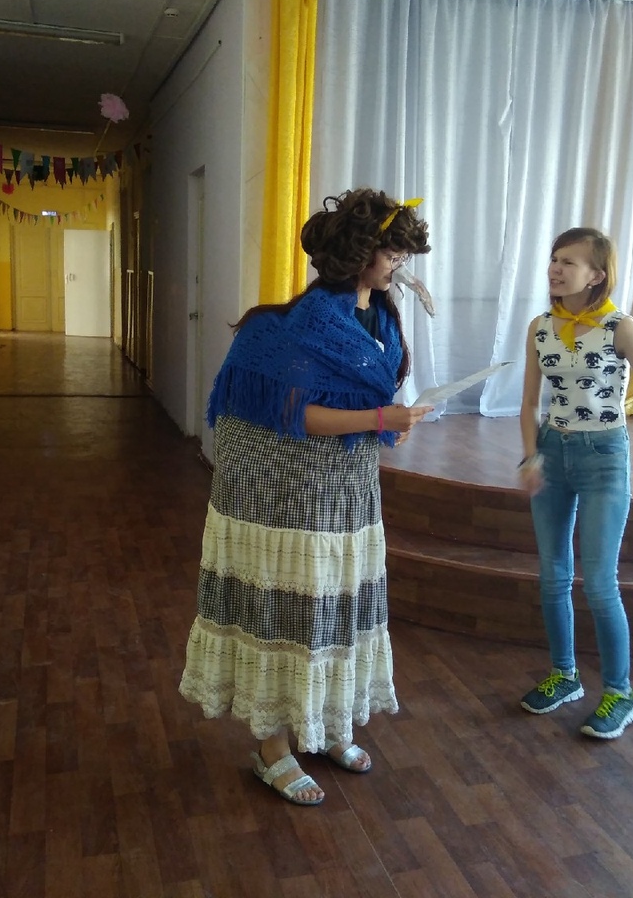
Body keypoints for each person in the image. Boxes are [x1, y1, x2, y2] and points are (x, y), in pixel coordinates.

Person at [178, 189, 434, 805]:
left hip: (346, 496)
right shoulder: (285, 328)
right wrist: (380, 418)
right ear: (359, 254)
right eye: (392, 254)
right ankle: (271, 749)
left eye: (403, 256)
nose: (398, 265)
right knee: (284, 615)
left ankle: (324, 726)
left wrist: (387, 423)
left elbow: (366, 402)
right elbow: (296, 414)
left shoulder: (379, 319)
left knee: (334, 613)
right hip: (284, 504)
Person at [515, 227, 633, 739]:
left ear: (596, 275)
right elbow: (528, 402)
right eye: (554, 258)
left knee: (598, 582)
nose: (555, 268)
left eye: (568, 262)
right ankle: (565, 676)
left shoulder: (620, 327)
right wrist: (529, 456)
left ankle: (619, 692)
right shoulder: (540, 327)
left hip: (604, 457)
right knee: (552, 576)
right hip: (552, 451)